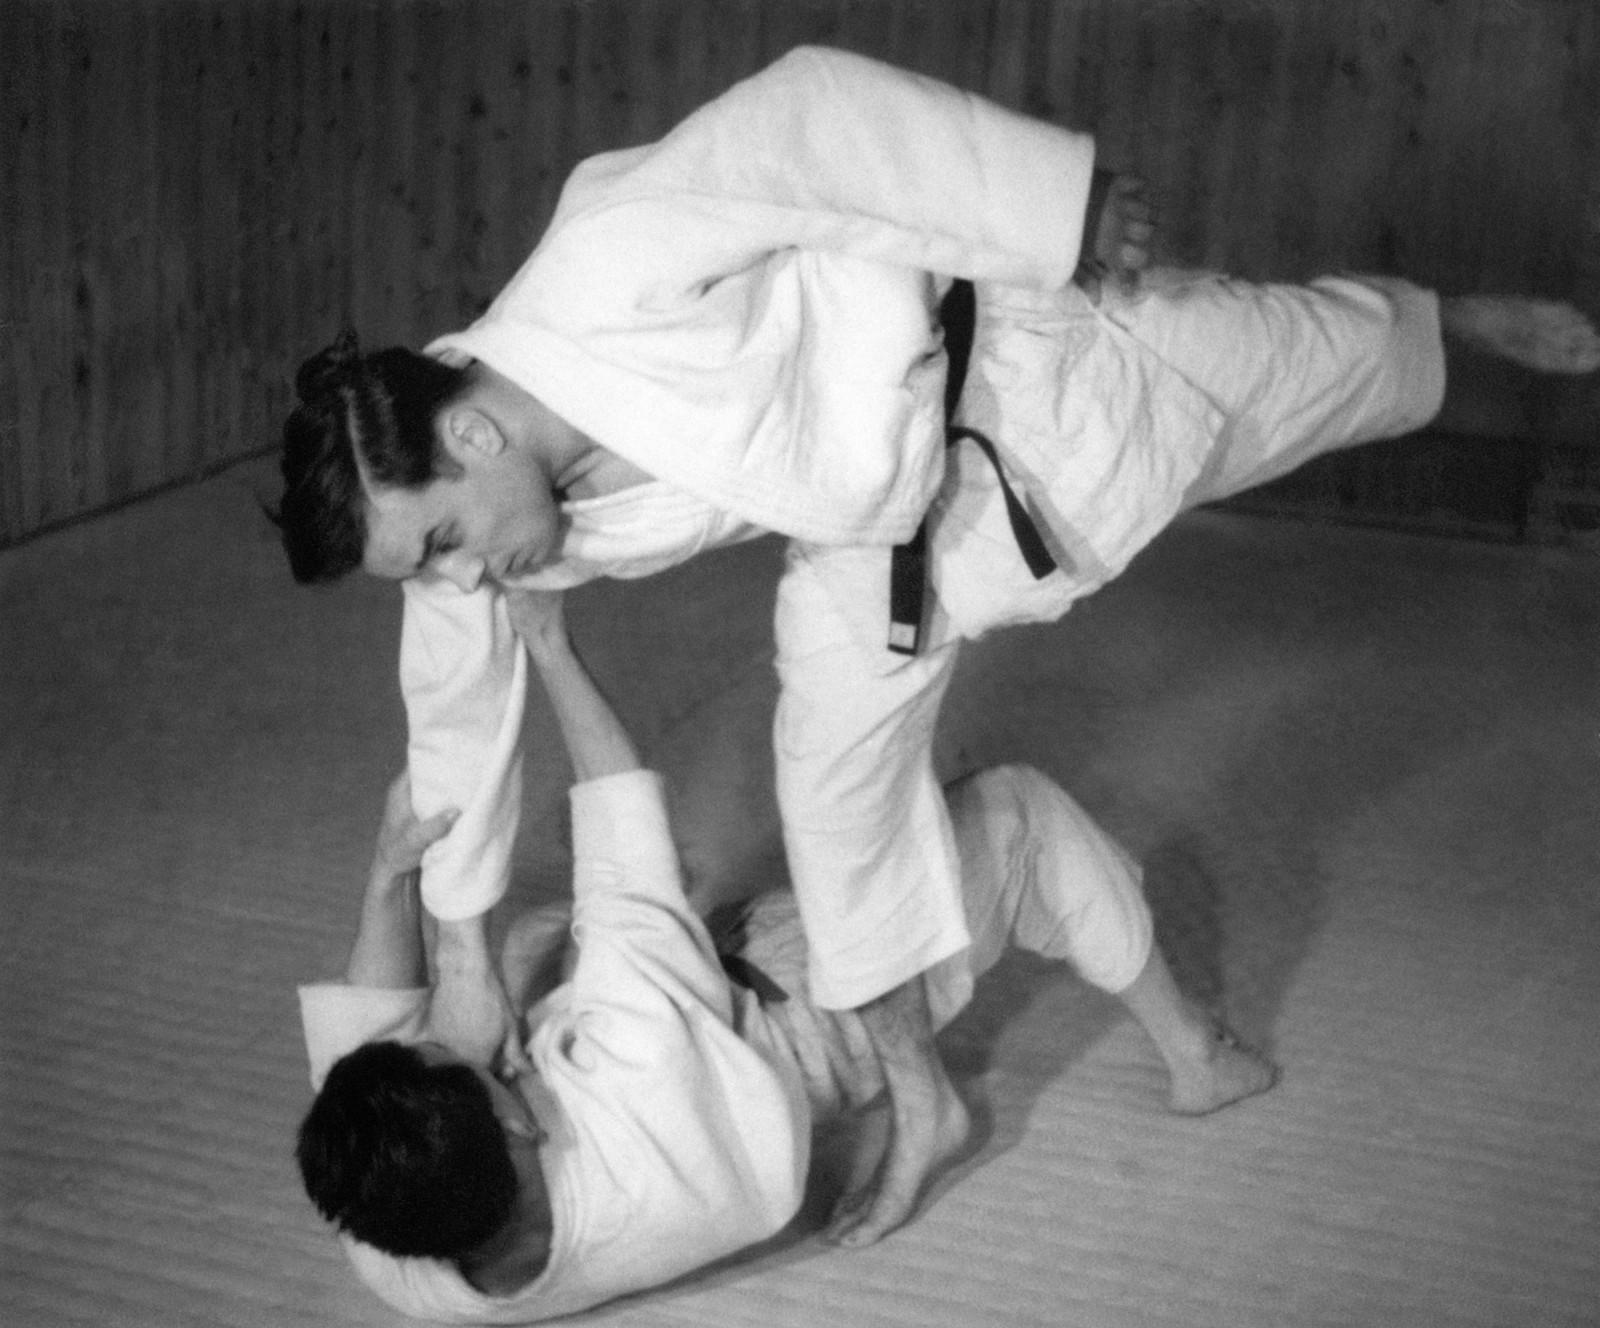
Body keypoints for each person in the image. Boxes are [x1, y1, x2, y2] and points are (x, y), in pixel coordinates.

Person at [275, 44, 1600, 1246]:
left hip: (1007, 372)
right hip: (866, 539)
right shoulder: (501, 524)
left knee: (1292, 373)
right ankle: (923, 1100)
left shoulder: (602, 264)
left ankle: (1444, 323)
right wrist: (456, 948)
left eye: (437, 544)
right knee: (835, 798)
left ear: (469, 435)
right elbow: (452, 717)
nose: (450, 581)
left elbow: (808, 115)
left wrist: (1052, 205)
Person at [296, 590, 1278, 1323]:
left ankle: (704, 916)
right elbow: (620, 803)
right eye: (470, 1059)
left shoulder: (407, 1256)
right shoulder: (633, 1074)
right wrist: (549, 639)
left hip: (708, 1036)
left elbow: (370, 1032)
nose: (470, 1042)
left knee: (524, 937)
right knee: (1015, 807)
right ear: (512, 1112)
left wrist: (393, 874)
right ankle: (1195, 1055)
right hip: (814, 1017)